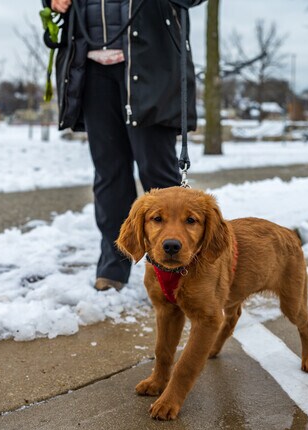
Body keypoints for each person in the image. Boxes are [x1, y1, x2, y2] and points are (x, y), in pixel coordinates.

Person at [45, 0, 205, 290]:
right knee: (109, 175)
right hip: (91, 67)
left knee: (158, 174)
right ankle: (113, 267)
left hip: (149, 66)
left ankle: (180, 271)